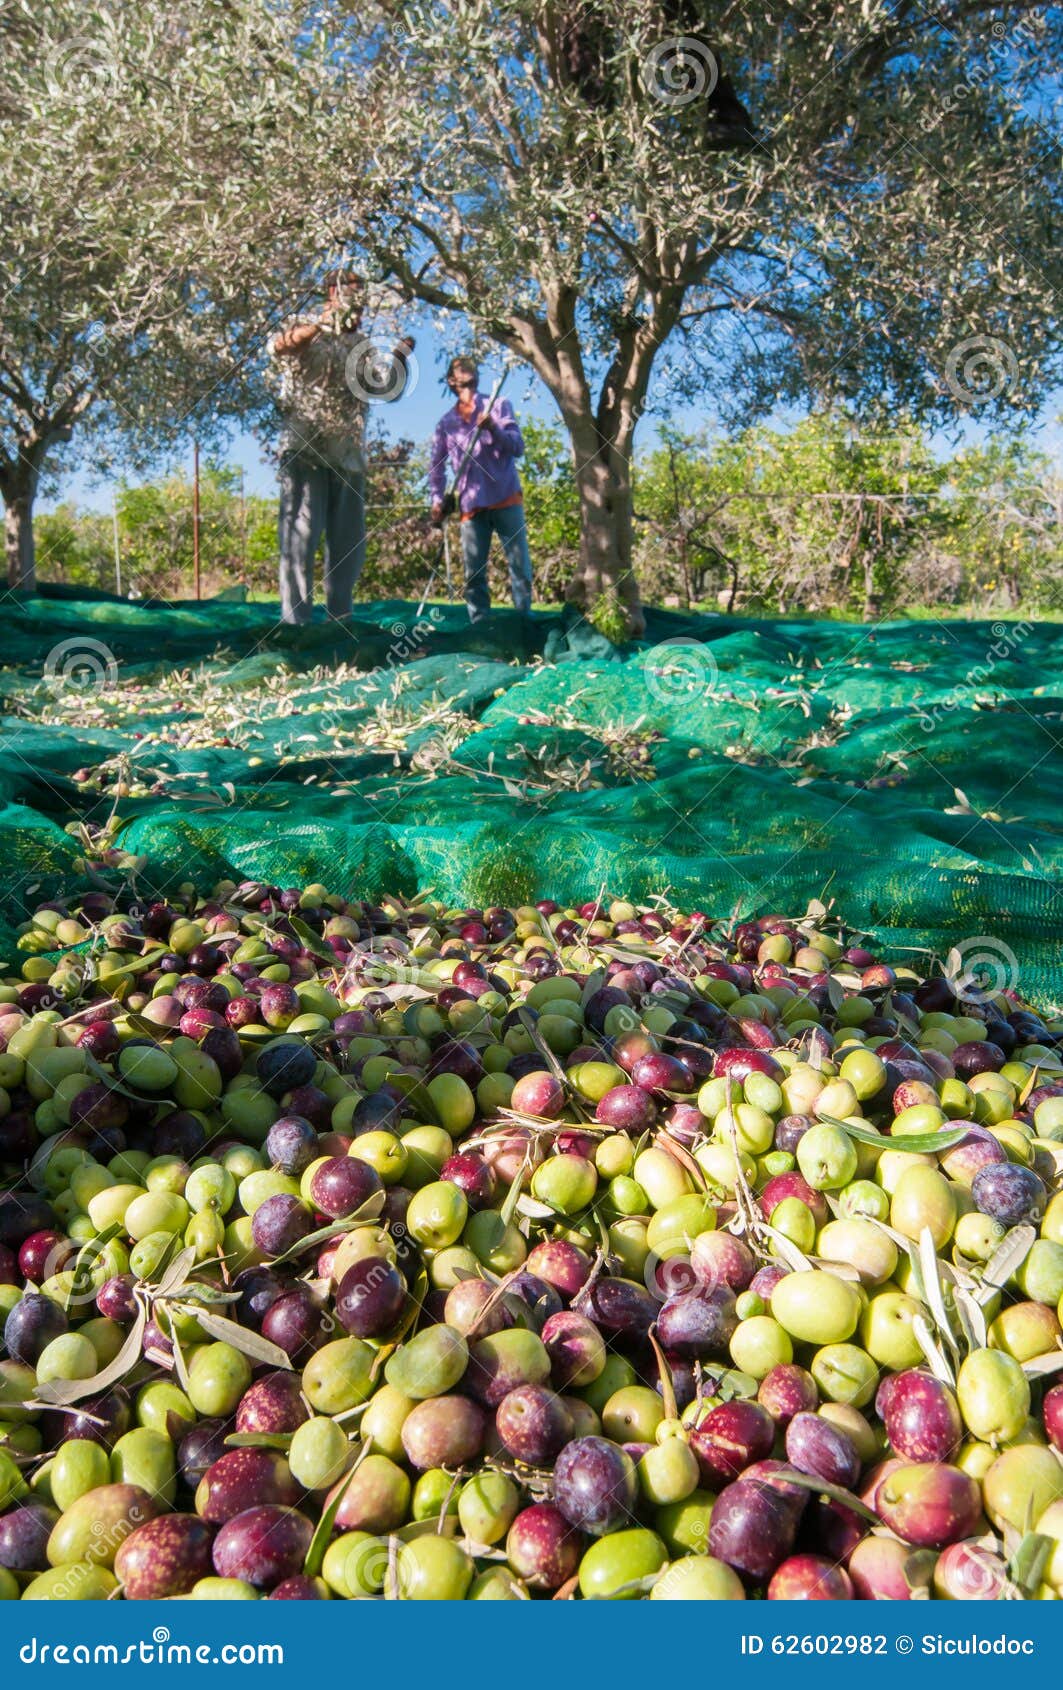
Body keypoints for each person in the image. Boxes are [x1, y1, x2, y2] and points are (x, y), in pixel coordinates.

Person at [269, 270, 415, 624]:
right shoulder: (303, 326)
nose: (360, 306)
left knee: (348, 548)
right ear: (333, 294)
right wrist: (321, 325)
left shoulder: (362, 345)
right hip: (304, 452)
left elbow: (381, 391)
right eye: (353, 296)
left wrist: (398, 355)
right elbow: (281, 346)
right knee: (299, 542)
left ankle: (341, 624)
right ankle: (296, 627)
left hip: (347, 458)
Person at [429, 356, 533, 621]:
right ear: (451, 380)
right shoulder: (445, 423)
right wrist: (437, 500)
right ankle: (480, 626)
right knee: (473, 573)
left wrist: (493, 428)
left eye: (471, 365)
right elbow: (436, 467)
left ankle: (523, 621)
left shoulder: (498, 405)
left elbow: (517, 447)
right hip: (470, 503)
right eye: (459, 367)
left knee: (520, 566)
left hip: (506, 496)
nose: (467, 368)